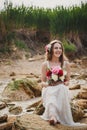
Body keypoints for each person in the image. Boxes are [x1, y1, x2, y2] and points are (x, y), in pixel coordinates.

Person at [41, 39, 87, 126]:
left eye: (60, 48)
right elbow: (42, 81)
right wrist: (47, 84)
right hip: (49, 87)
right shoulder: (45, 64)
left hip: (61, 87)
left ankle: (56, 117)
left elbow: (68, 81)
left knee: (61, 88)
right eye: (56, 48)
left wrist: (65, 82)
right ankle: (53, 117)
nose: (58, 50)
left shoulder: (65, 64)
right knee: (50, 95)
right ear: (51, 50)